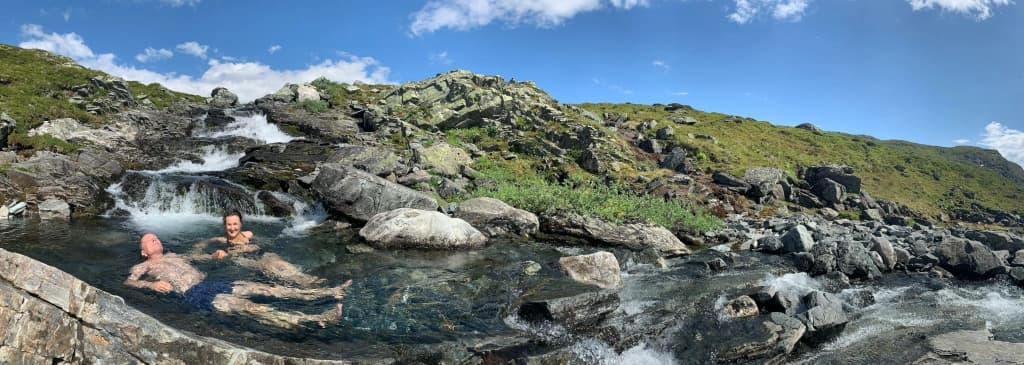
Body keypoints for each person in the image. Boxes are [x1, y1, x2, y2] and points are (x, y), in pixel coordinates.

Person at [126, 233, 352, 328]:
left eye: (155, 237)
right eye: (149, 240)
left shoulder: (176, 255)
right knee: (252, 308)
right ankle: (315, 320)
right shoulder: (143, 266)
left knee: (265, 288)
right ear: (143, 251)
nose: (154, 239)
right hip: (194, 294)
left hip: (211, 283)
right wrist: (151, 284)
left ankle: (325, 293)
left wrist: (215, 255)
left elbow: (201, 257)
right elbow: (129, 283)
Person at [192, 210, 323, 287]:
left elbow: (263, 242)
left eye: (235, 224)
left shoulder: (248, 234)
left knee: (280, 264)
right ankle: (309, 287)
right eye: (229, 224)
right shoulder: (221, 240)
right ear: (224, 225)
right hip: (248, 261)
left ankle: (308, 281)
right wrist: (204, 252)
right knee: (272, 269)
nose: (232, 228)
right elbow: (201, 244)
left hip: (263, 254)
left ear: (241, 224)